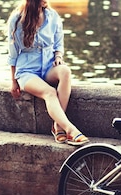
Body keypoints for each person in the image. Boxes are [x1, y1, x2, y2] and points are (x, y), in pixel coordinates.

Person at [7, 0, 89, 146]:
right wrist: (13, 81)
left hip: (48, 67)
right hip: (27, 71)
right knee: (49, 92)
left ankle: (57, 125)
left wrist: (58, 56)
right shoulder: (17, 19)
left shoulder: (52, 16)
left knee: (65, 72)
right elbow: (12, 54)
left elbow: (58, 43)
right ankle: (71, 130)